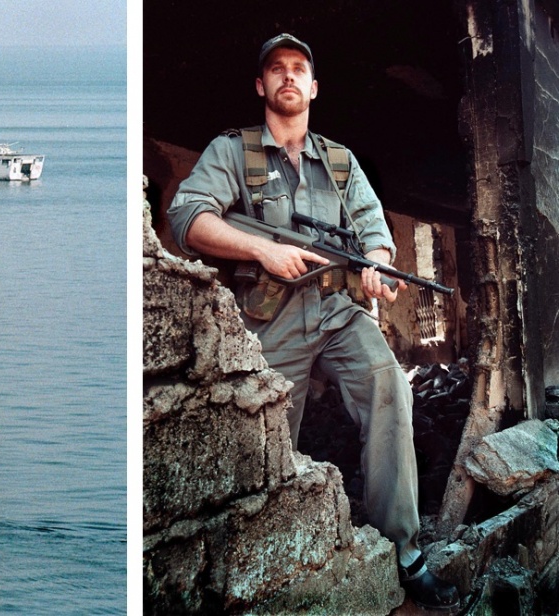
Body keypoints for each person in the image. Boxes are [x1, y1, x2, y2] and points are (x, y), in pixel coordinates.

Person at [166, 33, 459, 611]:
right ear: (262, 85)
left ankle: (404, 550)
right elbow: (185, 218)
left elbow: (376, 235)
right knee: (267, 436)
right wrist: (261, 250)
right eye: (277, 70)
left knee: (388, 384)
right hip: (269, 315)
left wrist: (377, 269)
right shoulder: (233, 152)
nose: (289, 77)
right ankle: (262, 556)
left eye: (299, 69)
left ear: (314, 86)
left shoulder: (341, 160)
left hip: (339, 310)